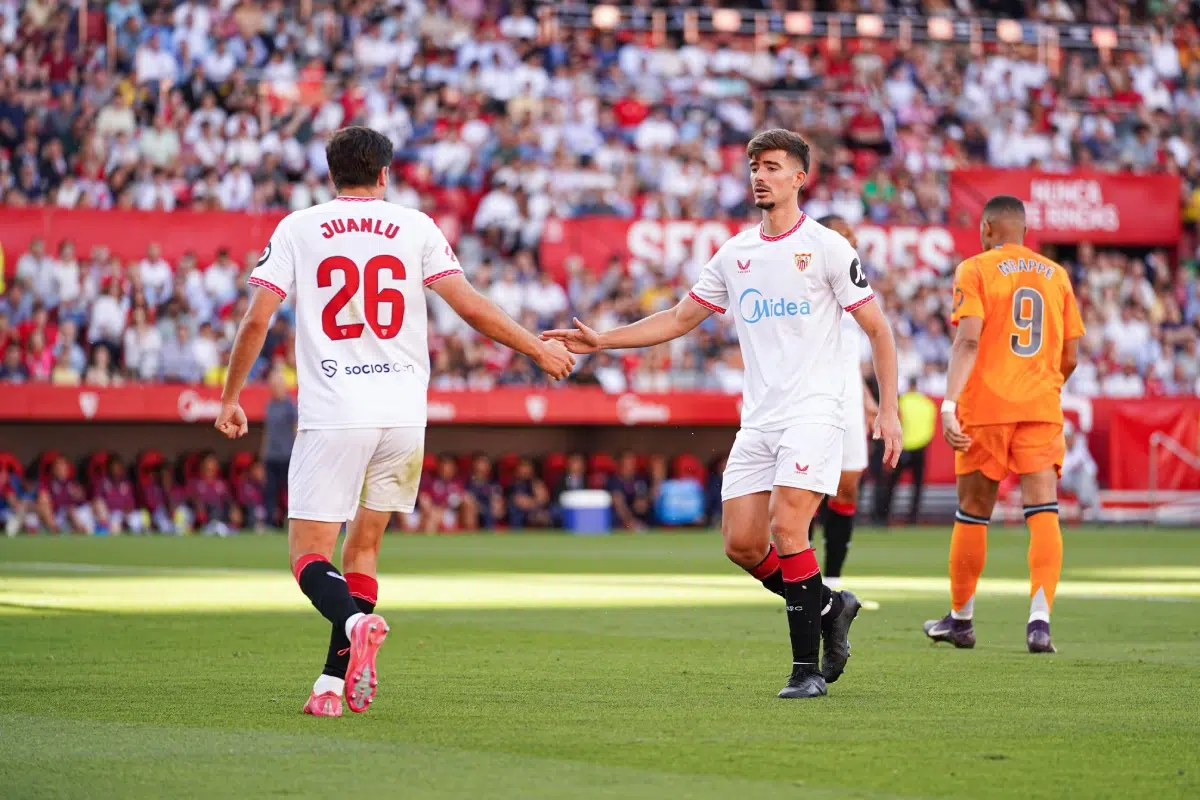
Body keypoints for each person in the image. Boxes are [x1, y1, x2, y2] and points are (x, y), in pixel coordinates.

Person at [214, 125, 574, 718]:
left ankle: (355, 622)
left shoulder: (299, 227)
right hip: (404, 415)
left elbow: (257, 320)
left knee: (308, 554)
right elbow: (469, 307)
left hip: (335, 411)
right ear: (385, 173)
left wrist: (230, 397)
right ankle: (330, 686)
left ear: (330, 174)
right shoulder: (416, 226)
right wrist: (536, 348)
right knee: (365, 549)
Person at [543, 128, 902, 699]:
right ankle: (831, 605)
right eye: (755, 165)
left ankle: (805, 672)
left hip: (815, 413)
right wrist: (604, 341)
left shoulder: (829, 247)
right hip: (759, 419)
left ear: (799, 178)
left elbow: (879, 331)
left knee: (789, 527)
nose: (761, 175)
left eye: (774, 166)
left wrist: (888, 410)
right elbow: (680, 318)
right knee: (740, 543)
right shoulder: (737, 253)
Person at [924, 195, 1084, 655]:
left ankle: (961, 620)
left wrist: (950, 404)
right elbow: (1070, 355)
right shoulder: (1057, 275)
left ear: (989, 228)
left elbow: (968, 339)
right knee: (1043, 511)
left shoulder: (974, 269)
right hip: (1039, 406)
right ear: (1025, 230)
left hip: (985, 408)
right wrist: (1043, 386)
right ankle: (1039, 621)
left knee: (973, 511)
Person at [812, 215, 877, 589]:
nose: (851, 241)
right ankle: (799, 578)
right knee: (804, 484)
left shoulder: (856, 282)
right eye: (844, 234)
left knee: (848, 483)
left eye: (853, 235)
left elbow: (852, 349)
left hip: (850, 394)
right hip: (814, 390)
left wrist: (867, 396)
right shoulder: (809, 281)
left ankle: (833, 579)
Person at [877, 380, 936, 525]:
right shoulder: (928, 404)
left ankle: (884, 515)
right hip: (920, 447)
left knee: (892, 484)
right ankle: (913, 516)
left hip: (902, 447)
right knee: (917, 485)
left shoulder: (900, 402)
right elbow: (930, 426)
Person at [261, 370, 297, 526]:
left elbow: (296, 429)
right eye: (272, 386)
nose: (274, 389)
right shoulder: (269, 405)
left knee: (290, 491)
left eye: (277, 385)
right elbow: (267, 432)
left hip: (287, 454)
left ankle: (291, 521)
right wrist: (263, 454)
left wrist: (297, 453)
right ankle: (270, 522)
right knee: (270, 491)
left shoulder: (290, 406)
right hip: (271, 456)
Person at [1060, 420, 1099, 521]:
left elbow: (1092, 468)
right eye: (1067, 436)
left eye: (1070, 435)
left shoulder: (1080, 444)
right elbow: (1063, 470)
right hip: (1065, 482)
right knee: (1086, 481)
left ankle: (1094, 513)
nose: (1070, 438)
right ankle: (1088, 507)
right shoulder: (1059, 449)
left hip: (1080, 482)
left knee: (1087, 481)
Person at [608, 450, 652, 530]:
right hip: (620, 523)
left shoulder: (639, 480)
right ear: (619, 464)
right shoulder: (613, 482)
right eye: (626, 464)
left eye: (631, 463)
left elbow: (642, 505)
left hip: (639, 521)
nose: (629, 467)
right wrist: (630, 522)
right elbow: (619, 506)